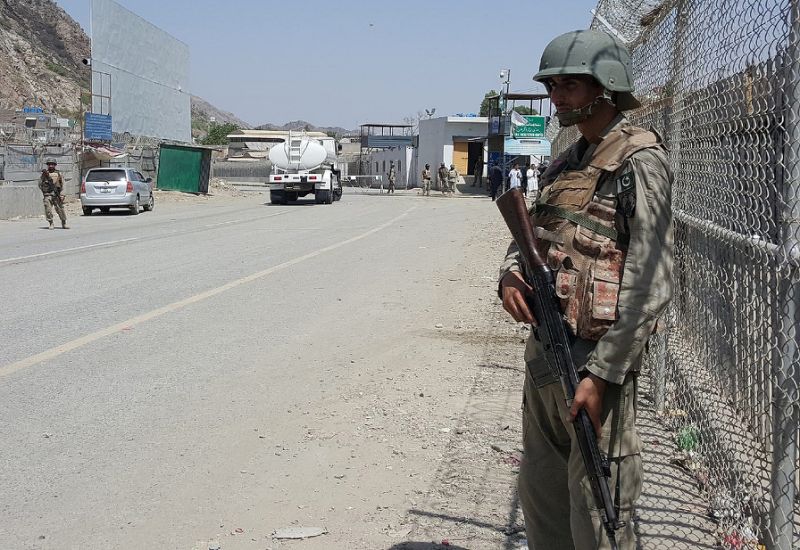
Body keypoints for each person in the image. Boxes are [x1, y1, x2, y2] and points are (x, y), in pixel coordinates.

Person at [498, 29, 673, 550]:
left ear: (607, 86)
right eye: (552, 85)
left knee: (597, 517)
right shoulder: (568, 162)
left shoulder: (640, 163)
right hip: (545, 362)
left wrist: (602, 375)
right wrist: (509, 274)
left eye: (569, 85)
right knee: (544, 507)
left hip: (594, 370)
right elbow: (530, 234)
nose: (556, 96)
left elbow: (651, 284)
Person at [39, 159, 68, 230]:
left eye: (52, 164)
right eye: (49, 164)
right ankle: (51, 223)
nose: (51, 166)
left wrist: (62, 195)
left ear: (55, 165)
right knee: (48, 209)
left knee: (60, 209)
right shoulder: (44, 174)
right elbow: (40, 184)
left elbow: (63, 184)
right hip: (48, 194)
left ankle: (63, 222)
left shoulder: (59, 174)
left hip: (56, 194)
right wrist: (45, 191)